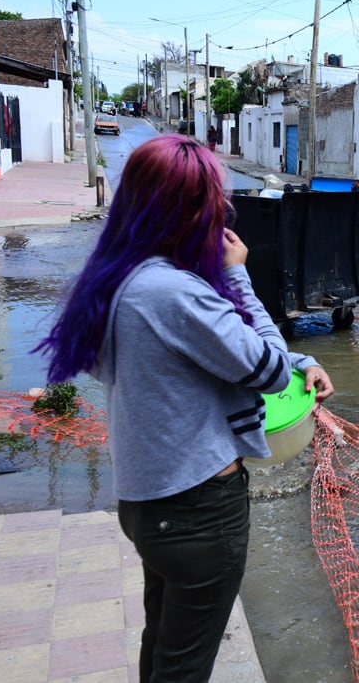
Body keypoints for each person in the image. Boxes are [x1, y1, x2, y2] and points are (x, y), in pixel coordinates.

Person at [35, 135, 334, 682]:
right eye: (212, 206)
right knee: (185, 668)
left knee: (165, 649)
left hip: (149, 503)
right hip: (199, 510)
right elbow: (265, 368)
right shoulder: (174, 292)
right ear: (188, 213)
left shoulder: (118, 282)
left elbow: (208, 352)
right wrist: (239, 276)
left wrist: (301, 356)